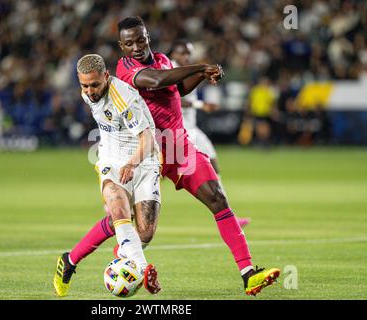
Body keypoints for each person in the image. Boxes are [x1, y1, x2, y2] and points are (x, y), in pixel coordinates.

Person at [115, 16, 279, 296]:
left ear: (148, 37)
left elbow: (176, 89)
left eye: (140, 39)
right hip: (152, 151)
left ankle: (248, 275)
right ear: (121, 46)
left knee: (218, 198)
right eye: (128, 43)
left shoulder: (164, 59)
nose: (135, 47)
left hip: (180, 147)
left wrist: (201, 77)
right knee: (138, 227)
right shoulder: (126, 67)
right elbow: (155, 81)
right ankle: (109, 264)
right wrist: (202, 66)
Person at [53, 54, 161, 296]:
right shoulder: (87, 93)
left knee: (144, 232)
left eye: (95, 85)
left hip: (144, 161)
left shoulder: (124, 99)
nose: (90, 91)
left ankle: (69, 261)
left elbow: (147, 138)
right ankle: (144, 272)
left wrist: (133, 163)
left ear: (106, 76)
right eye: (84, 85)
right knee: (117, 204)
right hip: (111, 161)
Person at [169, 39, 250, 227]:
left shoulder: (183, 70)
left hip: (191, 128)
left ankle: (229, 215)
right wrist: (201, 105)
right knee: (162, 172)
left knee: (211, 164)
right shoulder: (170, 70)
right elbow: (172, 99)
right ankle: (122, 202)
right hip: (179, 129)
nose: (186, 57)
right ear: (173, 53)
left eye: (188, 53)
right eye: (182, 53)